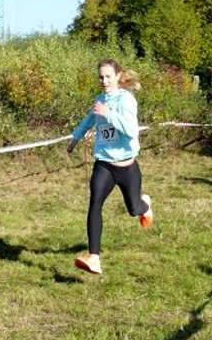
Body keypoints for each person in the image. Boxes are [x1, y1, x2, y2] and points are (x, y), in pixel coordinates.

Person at [65, 59, 153, 275]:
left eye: (108, 77)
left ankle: (145, 206)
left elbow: (131, 131)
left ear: (118, 76)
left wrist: (109, 114)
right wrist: (75, 138)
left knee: (133, 209)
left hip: (127, 167)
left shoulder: (126, 100)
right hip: (104, 163)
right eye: (100, 77)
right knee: (95, 203)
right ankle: (94, 257)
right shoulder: (99, 100)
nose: (104, 81)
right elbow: (89, 120)